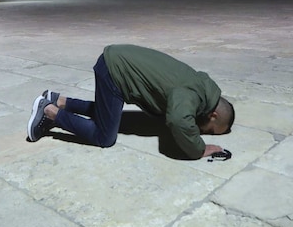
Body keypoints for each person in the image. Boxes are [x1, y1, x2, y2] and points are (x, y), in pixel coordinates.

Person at [27, 44, 234, 160]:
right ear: (213, 115)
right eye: (211, 130)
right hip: (114, 72)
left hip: (116, 60)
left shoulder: (202, 86)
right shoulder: (193, 96)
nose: (205, 132)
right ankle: (49, 111)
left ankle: (61, 101)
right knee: (104, 136)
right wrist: (199, 149)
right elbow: (179, 120)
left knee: (106, 114)